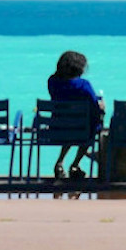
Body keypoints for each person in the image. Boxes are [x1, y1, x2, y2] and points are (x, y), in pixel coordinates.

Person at [47, 50, 105, 179]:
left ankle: (60, 162)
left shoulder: (52, 82)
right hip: (81, 130)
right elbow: (94, 108)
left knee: (71, 124)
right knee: (90, 126)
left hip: (57, 129)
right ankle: (75, 164)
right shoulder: (83, 85)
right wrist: (101, 107)